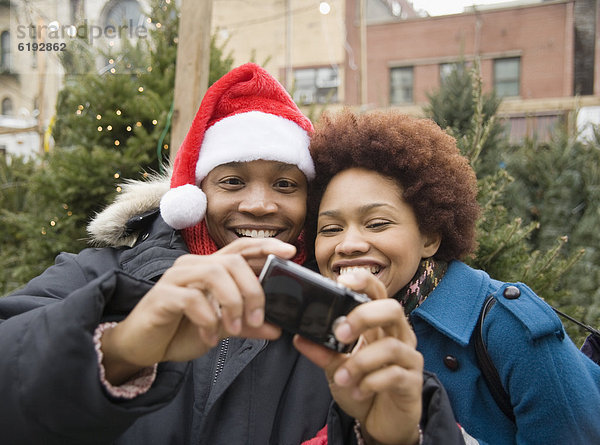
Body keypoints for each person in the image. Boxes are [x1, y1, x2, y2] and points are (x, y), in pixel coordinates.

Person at [0, 64, 463, 445]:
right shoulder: (98, 277)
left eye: (285, 184)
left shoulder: (343, 320)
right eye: (232, 182)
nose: (259, 204)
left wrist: (395, 438)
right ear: (196, 195)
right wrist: (118, 349)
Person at [304, 109, 600, 445]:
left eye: (377, 223)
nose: (349, 244)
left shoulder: (509, 328)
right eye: (330, 228)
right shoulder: (331, 329)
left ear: (429, 236)